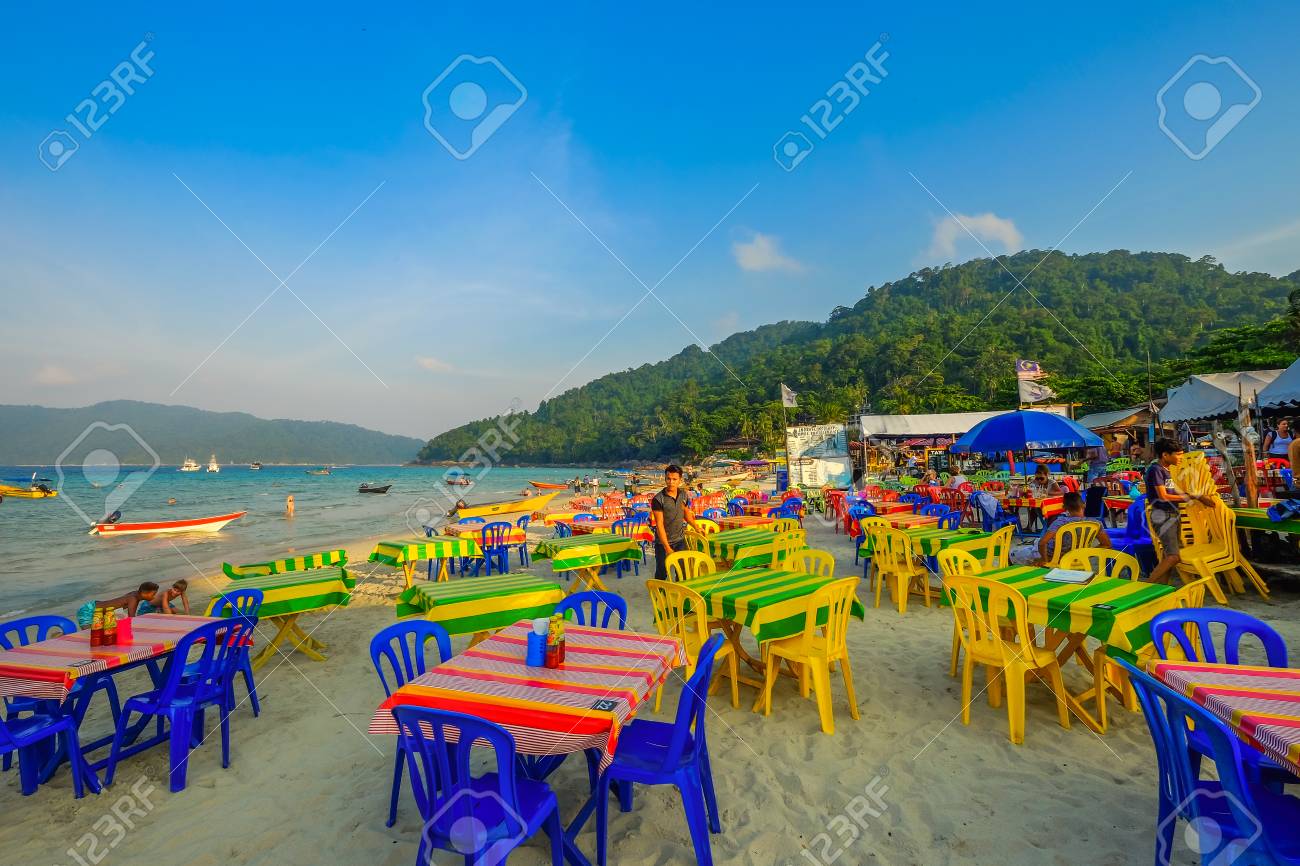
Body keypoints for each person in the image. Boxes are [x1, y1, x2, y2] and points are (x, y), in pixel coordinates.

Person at [1146, 438, 1218, 585]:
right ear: (1165, 455)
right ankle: (1145, 587)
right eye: (1178, 454)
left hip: (1172, 514)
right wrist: (1193, 496)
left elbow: (1170, 492)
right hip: (1163, 516)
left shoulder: (1165, 470)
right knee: (1173, 557)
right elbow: (1164, 496)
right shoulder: (1156, 470)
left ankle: (1160, 588)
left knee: (1169, 556)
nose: (1181, 458)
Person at [1010, 492, 1111, 565]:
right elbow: (1106, 545)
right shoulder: (1096, 524)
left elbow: (1042, 543)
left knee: (1011, 555)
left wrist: (1044, 560)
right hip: (1077, 558)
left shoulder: (1060, 522)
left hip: (1052, 556)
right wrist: (1086, 553)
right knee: (1034, 544)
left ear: (1064, 507)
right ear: (1084, 505)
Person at [650, 464, 700, 580]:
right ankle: (659, 595)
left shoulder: (683, 495)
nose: (671, 482)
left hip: (680, 540)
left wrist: (696, 527)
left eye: (674, 479)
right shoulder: (658, 499)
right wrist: (667, 547)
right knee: (662, 572)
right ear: (665, 479)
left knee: (682, 571)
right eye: (668, 479)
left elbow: (686, 512)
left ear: (680, 480)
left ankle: (679, 593)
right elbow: (659, 525)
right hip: (662, 543)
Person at [77, 581, 159, 628]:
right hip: (89, 611)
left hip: (96, 609)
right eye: (153, 594)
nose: (154, 597)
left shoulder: (134, 594)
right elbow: (132, 619)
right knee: (89, 635)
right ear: (144, 593)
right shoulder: (133, 599)